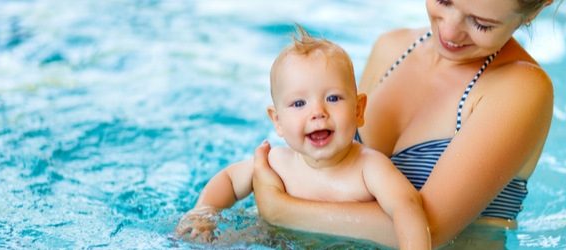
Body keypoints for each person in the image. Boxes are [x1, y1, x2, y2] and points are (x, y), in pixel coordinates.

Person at [251, 0, 557, 248]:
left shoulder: (521, 88)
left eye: (481, 24)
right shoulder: (391, 48)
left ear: (536, 9)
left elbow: (429, 231)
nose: (449, 31)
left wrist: (280, 209)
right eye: (444, 1)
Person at [175, 25, 431, 249]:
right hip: (267, 239)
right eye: (299, 103)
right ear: (278, 121)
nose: (317, 113)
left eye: (333, 98)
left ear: (358, 110)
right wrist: (202, 213)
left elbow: (407, 209)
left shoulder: (370, 168)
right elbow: (229, 180)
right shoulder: (277, 163)